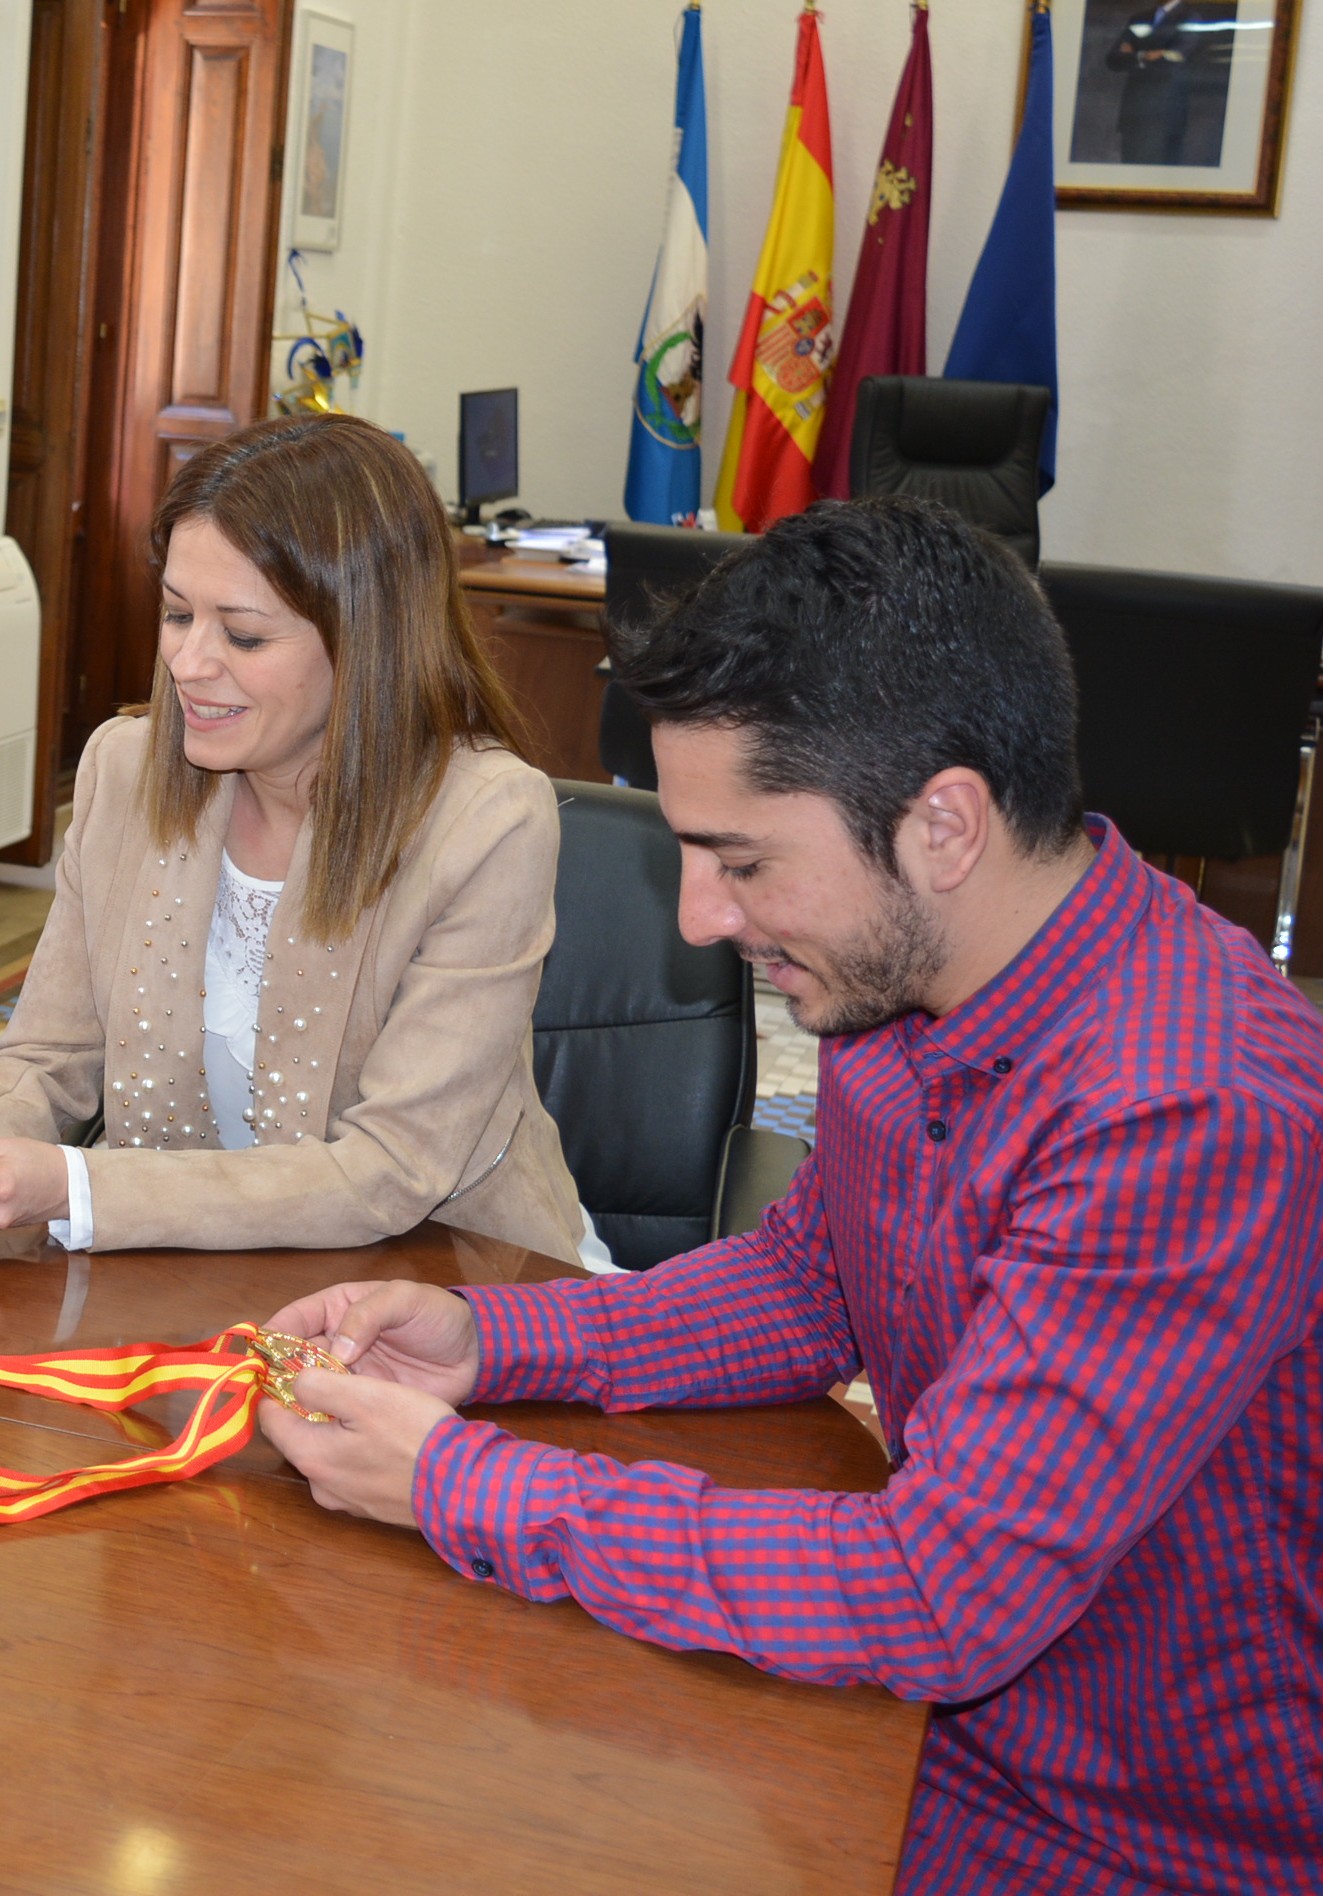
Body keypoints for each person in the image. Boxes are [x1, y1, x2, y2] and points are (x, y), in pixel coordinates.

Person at [260, 497, 1321, 1893]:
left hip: (1134, 1828)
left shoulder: (1189, 1110)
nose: (699, 916)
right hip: (904, 1727)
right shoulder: (905, 979)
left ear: (944, 823)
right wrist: (498, 1343)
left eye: (741, 860)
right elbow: (816, 1277)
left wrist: (464, 1485)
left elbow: (941, 1593)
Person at [0, 414, 591, 1262]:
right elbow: (49, 1060)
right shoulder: (124, 770)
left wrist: (78, 1187)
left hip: (447, 1282)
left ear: (367, 643)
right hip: (177, 1273)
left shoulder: (486, 822)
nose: (189, 662)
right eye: (178, 615)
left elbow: (392, 1169)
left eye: (244, 634)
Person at [1104, 0, 1229, 166]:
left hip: (1165, 115)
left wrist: (1136, 52)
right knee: (1129, 182)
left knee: (1158, 184)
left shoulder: (1190, 18)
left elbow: (1176, 57)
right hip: (1134, 115)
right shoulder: (1138, 19)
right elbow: (1113, 59)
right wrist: (1145, 55)